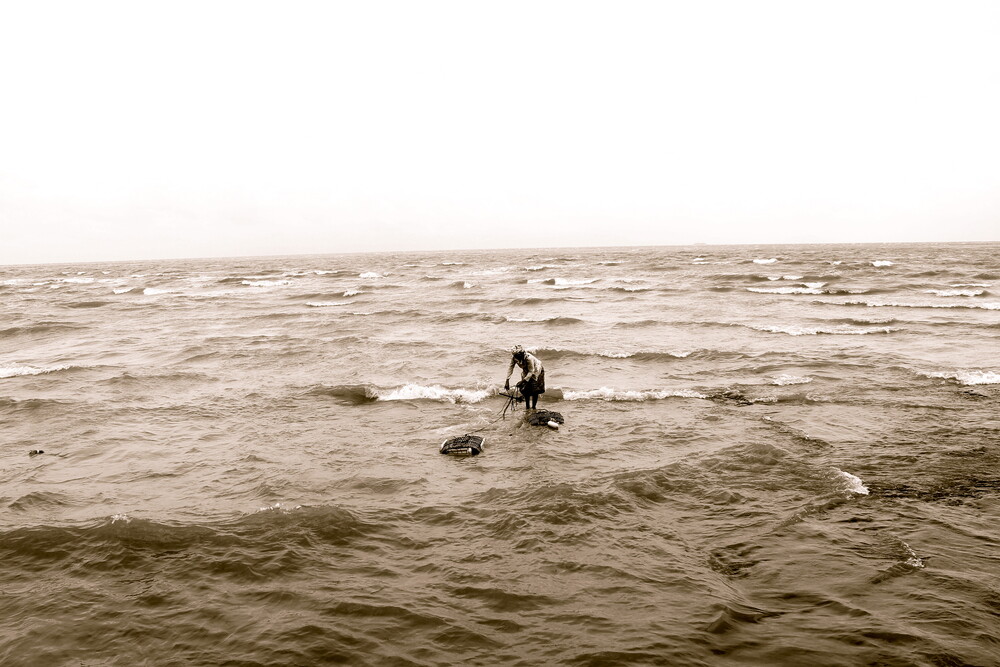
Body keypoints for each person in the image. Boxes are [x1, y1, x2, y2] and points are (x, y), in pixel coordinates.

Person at [505, 345, 545, 410]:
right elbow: (511, 368)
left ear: (522, 354)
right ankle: (527, 407)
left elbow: (531, 371)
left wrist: (522, 381)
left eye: (518, 356)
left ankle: (534, 407)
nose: (516, 357)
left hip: (536, 369)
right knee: (526, 389)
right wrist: (507, 380)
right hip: (526, 370)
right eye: (515, 356)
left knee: (535, 389)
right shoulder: (514, 357)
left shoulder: (529, 358)